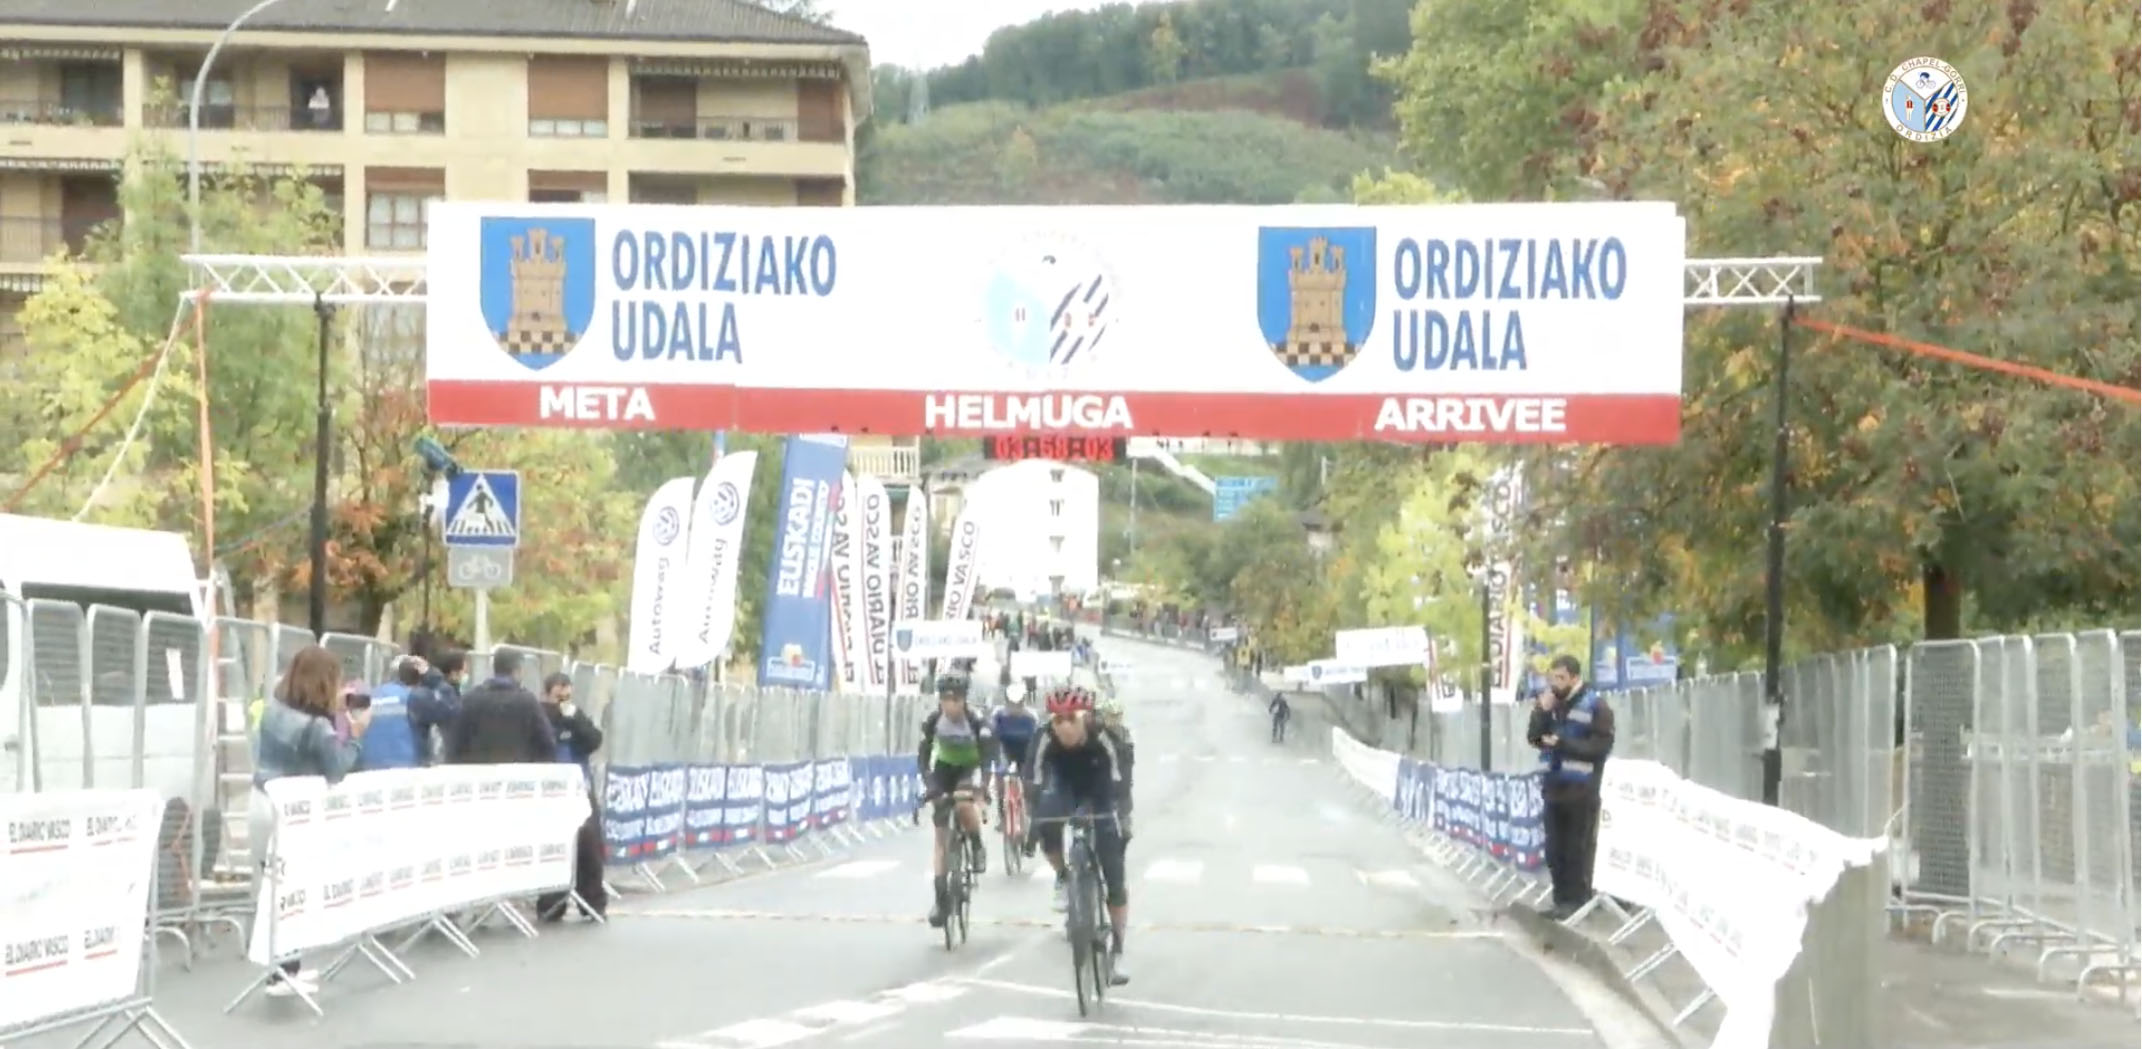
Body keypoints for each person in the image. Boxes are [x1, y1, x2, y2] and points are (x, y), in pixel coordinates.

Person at [251, 646, 370, 996]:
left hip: (261, 801)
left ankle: (286, 968)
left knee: (274, 885)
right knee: (292, 890)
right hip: (293, 813)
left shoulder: (273, 711)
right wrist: (356, 735)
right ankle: (282, 972)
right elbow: (337, 767)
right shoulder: (317, 726)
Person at [1034, 684, 1132, 985]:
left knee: (1113, 872)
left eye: (1071, 719)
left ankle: (1116, 951)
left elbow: (1121, 782)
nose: (1064, 727)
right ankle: (1065, 875)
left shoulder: (1106, 736)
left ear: (1086, 718)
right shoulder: (1045, 736)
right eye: (1058, 720)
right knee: (1046, 821)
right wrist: (1033, 819)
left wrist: (1122, 818)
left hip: (1101, 788)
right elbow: (1033, 778)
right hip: (1065, 785)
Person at [1526, 653, 1615, 920]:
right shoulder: (1552, 703)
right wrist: (1540, 711)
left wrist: (1564, 744)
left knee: (1576, 849)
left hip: (1582, 790)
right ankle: (1560, 900)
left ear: (1575, 678)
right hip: (1554, 788)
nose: (1555, 683)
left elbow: (1600, 747)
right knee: (1554, 849)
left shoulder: (1596, 706)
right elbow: (1534, 738)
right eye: (1552, 677)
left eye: (1561, 678)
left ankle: (1577, 902)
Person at [917, 672, 994, 928]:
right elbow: (923, 758)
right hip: (944, 768)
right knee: (940, 836)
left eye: (957, 699)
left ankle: (975, 843)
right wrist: (930, 787)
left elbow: (986, 758)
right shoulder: (933, 721)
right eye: (946, 699)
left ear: (964, 700)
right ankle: (941, 900)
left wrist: (982, 787)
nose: (951, 705)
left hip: (968, 768)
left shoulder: (976, 721)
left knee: (962, 803)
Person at [536, 672, 608, 921]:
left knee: (588, 848)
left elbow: (594, 740)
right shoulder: (539, 717)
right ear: (547, 694)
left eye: (567, 695)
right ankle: (552, 904)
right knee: (552, 850)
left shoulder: (575, 717)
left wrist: (574, 718)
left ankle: (592, 903)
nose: (563, 701)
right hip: (550, 794)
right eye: (558, 696)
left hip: (580, 791)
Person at [444, 650, 556, 764]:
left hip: (478, 775)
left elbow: (455, 744)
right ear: (517, 670)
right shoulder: (528, 701)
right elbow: (546, 743)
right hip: (517, 776)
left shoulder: (470, 699)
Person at [357, 656, 455, 771]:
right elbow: (451, 708)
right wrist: (434, 677)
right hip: (406, 770)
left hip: (369, 768)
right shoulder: (416, 697)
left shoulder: (374, 694)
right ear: (420, 678)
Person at [989, 679, 1042, 852]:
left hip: (1026, 751)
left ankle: (1027, 816)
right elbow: (992, 738)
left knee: (1028, 784)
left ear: (1023, 702)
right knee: (999, 777)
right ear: (1006, 702)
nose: (1015, 708)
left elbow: (1038, 742)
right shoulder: (998, 715)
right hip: (1006, 750)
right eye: (1011, 704)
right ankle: (1003, 815)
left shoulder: (1031, 717)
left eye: (1018, 704)